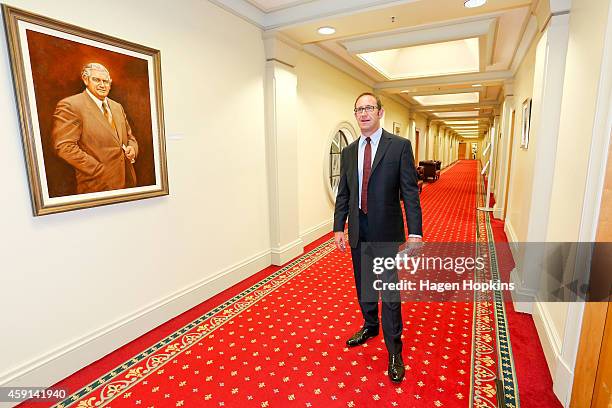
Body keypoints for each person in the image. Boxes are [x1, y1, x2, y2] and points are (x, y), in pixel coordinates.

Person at [333, 92, 423, 383]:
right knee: (364, 284)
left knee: (389, 291)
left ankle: (395, 350)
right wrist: (338, 227)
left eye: (369, 108)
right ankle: (370, 325)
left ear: (380, 112)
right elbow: (343, 193)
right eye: (359, 109)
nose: (364, 113)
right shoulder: (349, 152)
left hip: (386, 231)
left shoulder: (399, 147)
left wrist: (416, 232)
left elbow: (410, 191)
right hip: (359, 229)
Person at [52, 63, 138, 194]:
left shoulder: (117, 107)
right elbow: (64, 146)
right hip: (96, 185)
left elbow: (130, 137)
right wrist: (97, 169)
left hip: (127, 182)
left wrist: (133, 149)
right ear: (86, 80)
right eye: (97, 80)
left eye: (106, 81)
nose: (102, 85)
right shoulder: (71, 105)